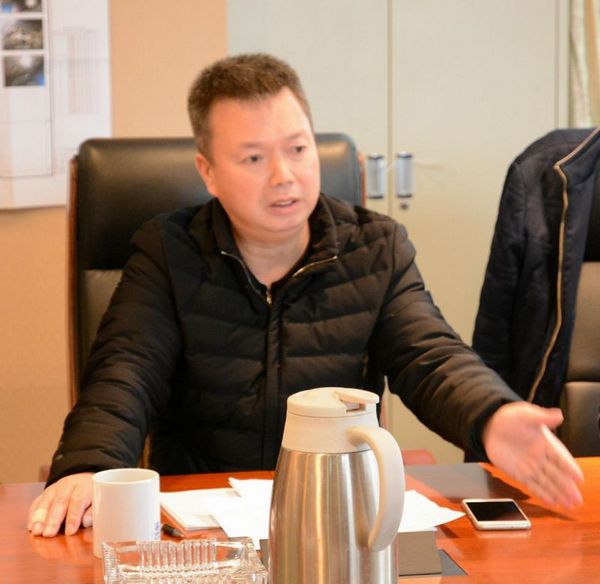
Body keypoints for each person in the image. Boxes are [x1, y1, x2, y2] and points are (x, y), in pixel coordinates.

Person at [28, 53, 583, 538]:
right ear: (208, 172)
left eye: (297, 148)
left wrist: (492, 414)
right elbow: (125, 371)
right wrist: (90, 465)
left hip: (340, 518)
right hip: (201, 525)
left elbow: (430, 356)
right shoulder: (167, 253)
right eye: (253, 158)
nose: (283, 176)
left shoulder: (375, 248)